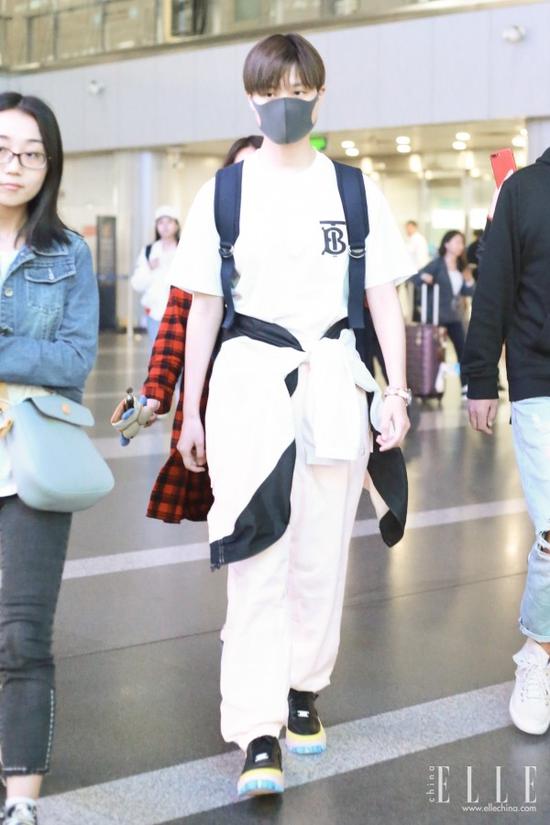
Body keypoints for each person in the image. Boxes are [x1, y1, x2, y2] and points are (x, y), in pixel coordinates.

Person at [171, 33, 412, 797]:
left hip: (334, 382)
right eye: (272, 91)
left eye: (300, 90)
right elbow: (204, 307)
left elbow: (382, 295)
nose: (286, 103)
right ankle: (255, 727)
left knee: (320, 555)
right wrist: (189, 409)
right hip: (249, 385)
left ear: (320, 96)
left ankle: (304, 687)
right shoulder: (224, 192)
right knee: (255, 558)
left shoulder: (353, 190)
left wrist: (396, 390)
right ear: (251, 100)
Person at [0, 93, 98, 825]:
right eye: (5, 149)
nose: (16, 165)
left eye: (32, 154)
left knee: (23, 634)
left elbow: (74, 359)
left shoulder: (68, 254)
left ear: (50, 166)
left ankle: (21, 799)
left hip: (27, 461)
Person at [115, 136, 264, 523]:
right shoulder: (208, 240)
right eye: (240, 172)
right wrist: (155, 394)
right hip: (219, 394)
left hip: (287, 393)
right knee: (231, 511)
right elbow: (175, 324)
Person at [462, 148, 550, 738]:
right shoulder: (523, 191)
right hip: (540, 380)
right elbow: (493, 289)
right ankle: (537, 653)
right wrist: (479, 379)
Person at [414, 230, 475, 394]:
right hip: (436, 316)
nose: (460, 246)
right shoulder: (437, 264)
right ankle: (429, 385)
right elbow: (415, 277)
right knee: (434, 352)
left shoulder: (462, 267)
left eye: (462, 242)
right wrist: (424, 278)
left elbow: (469, 292)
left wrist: (469, 281)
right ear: (446, 244)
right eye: (457, 242)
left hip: (455, 316)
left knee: (463, 350)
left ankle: (466, 385)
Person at [130, 205, 180, 344]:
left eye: (169, 221)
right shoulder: (149, 251)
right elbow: (136, 284)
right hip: (155, 314)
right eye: (161, 222)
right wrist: (149, 268)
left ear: (176, 225)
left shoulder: (184, 250)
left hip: (180, 312)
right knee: (157, 351)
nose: (165, 226)